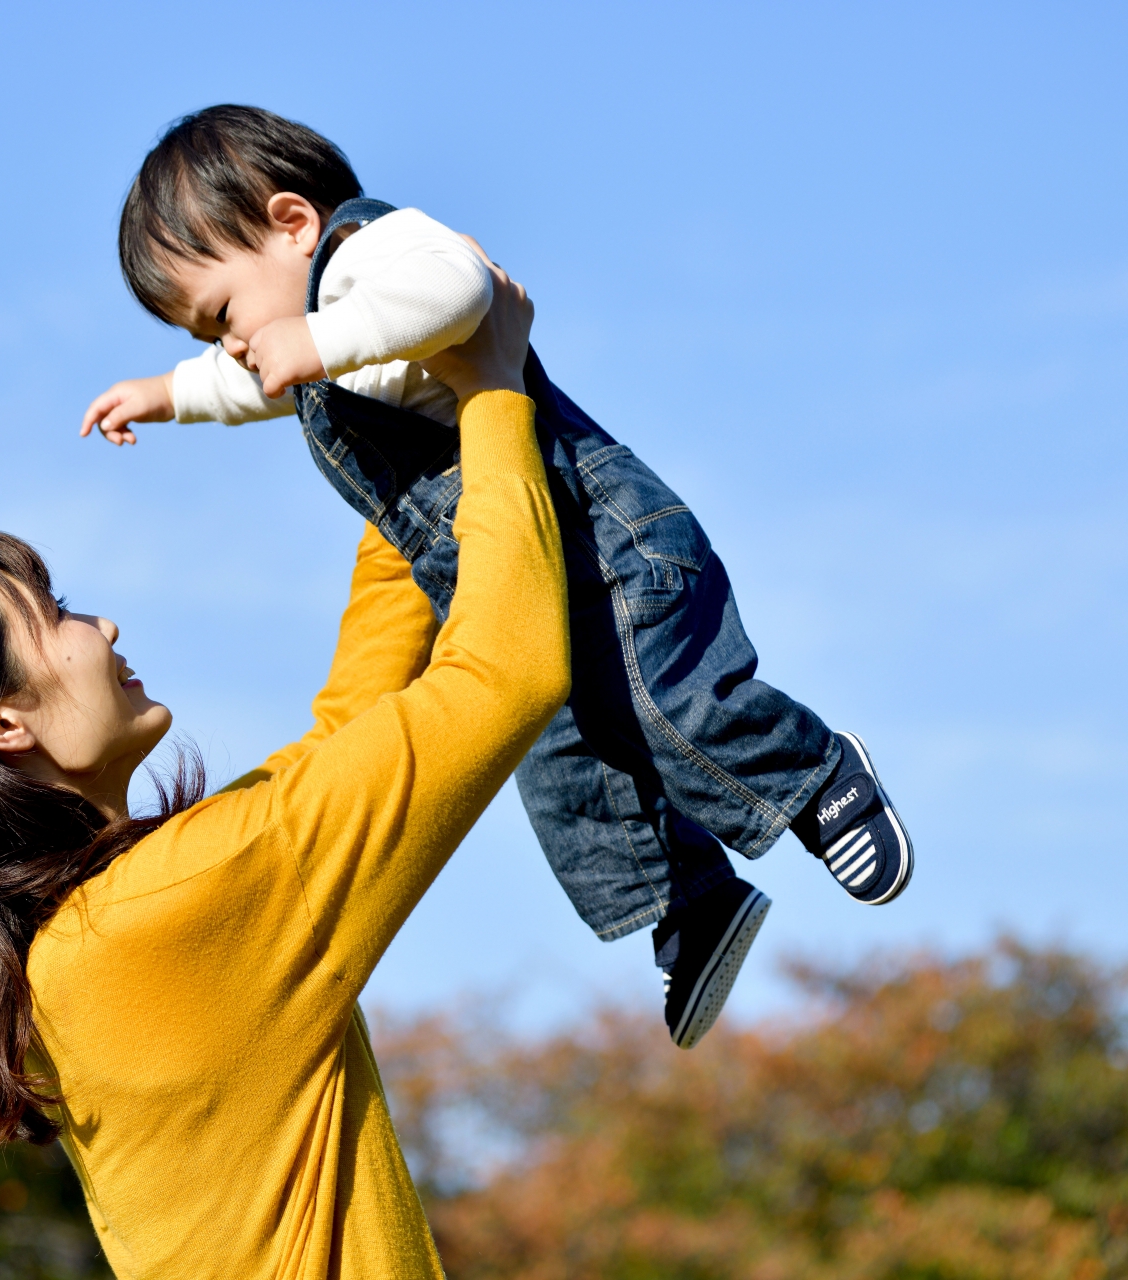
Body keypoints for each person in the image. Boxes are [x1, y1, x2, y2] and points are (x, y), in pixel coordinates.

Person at [81, 104, 914, 1049]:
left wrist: (320, 341)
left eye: (220, 314)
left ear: (292, 223)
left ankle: (820, 779)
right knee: (562, 763)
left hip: (604, 546)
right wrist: (167, 395)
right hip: (520, 580)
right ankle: (694, 900)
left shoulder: (365, 257)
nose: (228, 344)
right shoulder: (310, 338)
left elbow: (459, 289)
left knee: (670, 708)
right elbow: (246, 382)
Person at [0, 266, 560, 1276]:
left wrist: (405, 471)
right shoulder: (175, 906)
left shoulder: (96, 937)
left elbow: (348, 733)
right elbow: (510, 671)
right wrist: (494, 387)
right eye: (54, 612)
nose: (99, 624)